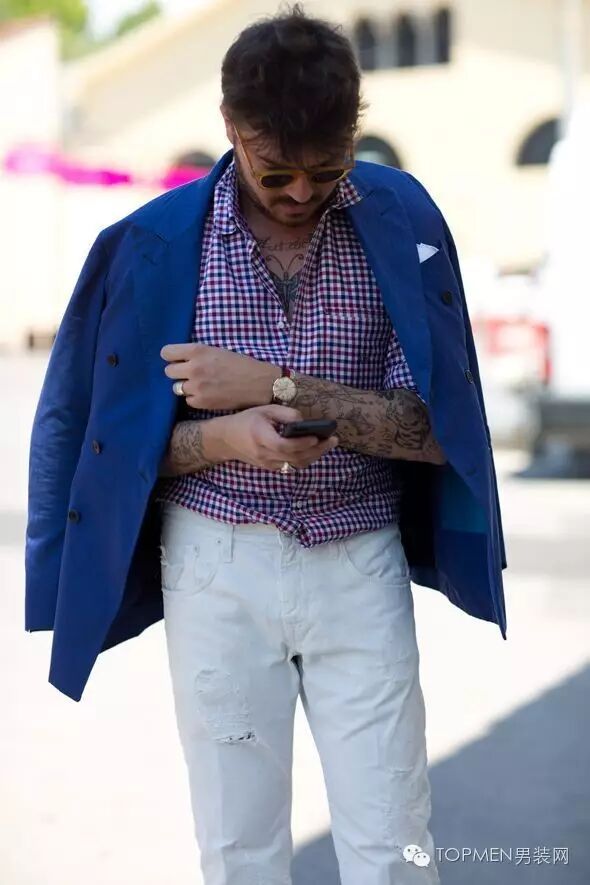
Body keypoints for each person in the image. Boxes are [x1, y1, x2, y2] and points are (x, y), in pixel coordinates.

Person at [25, 4, 507, 884]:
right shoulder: (150, 245)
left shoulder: (400, 220)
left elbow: (436, 430)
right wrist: (221, 437)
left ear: (355, 130)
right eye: (274, 169)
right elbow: (110, 451)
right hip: (215, 567)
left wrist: (273, 385)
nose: (298, 193)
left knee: (395, 844)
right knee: (238, 848)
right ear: (230, 127)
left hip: (359, 560)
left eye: (325, 170)